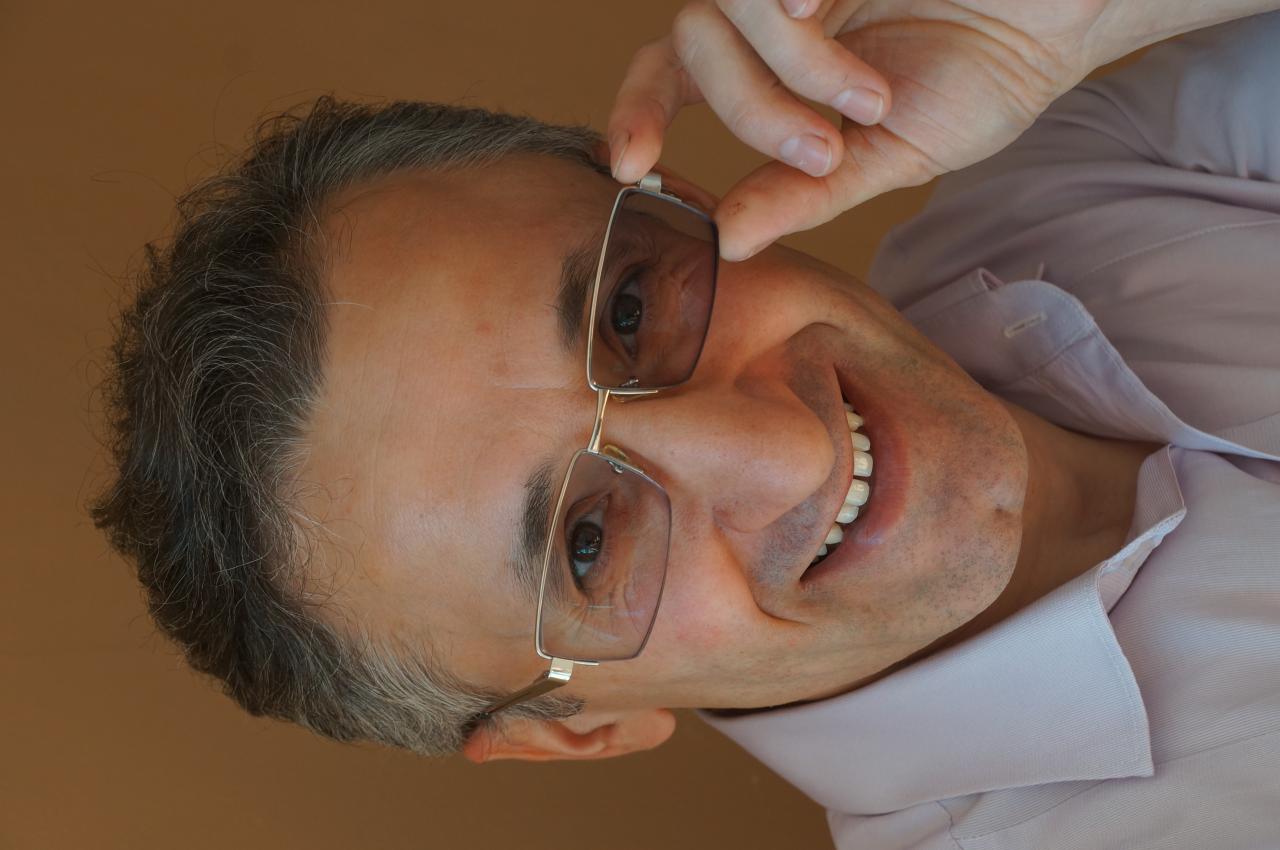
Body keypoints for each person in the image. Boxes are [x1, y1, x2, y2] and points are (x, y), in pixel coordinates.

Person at [90, 1, 1280, 847]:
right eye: (588, 544)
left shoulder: (1080, 166)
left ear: (683, 202)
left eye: (627, 310)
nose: (786, 450)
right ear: (577, 730)